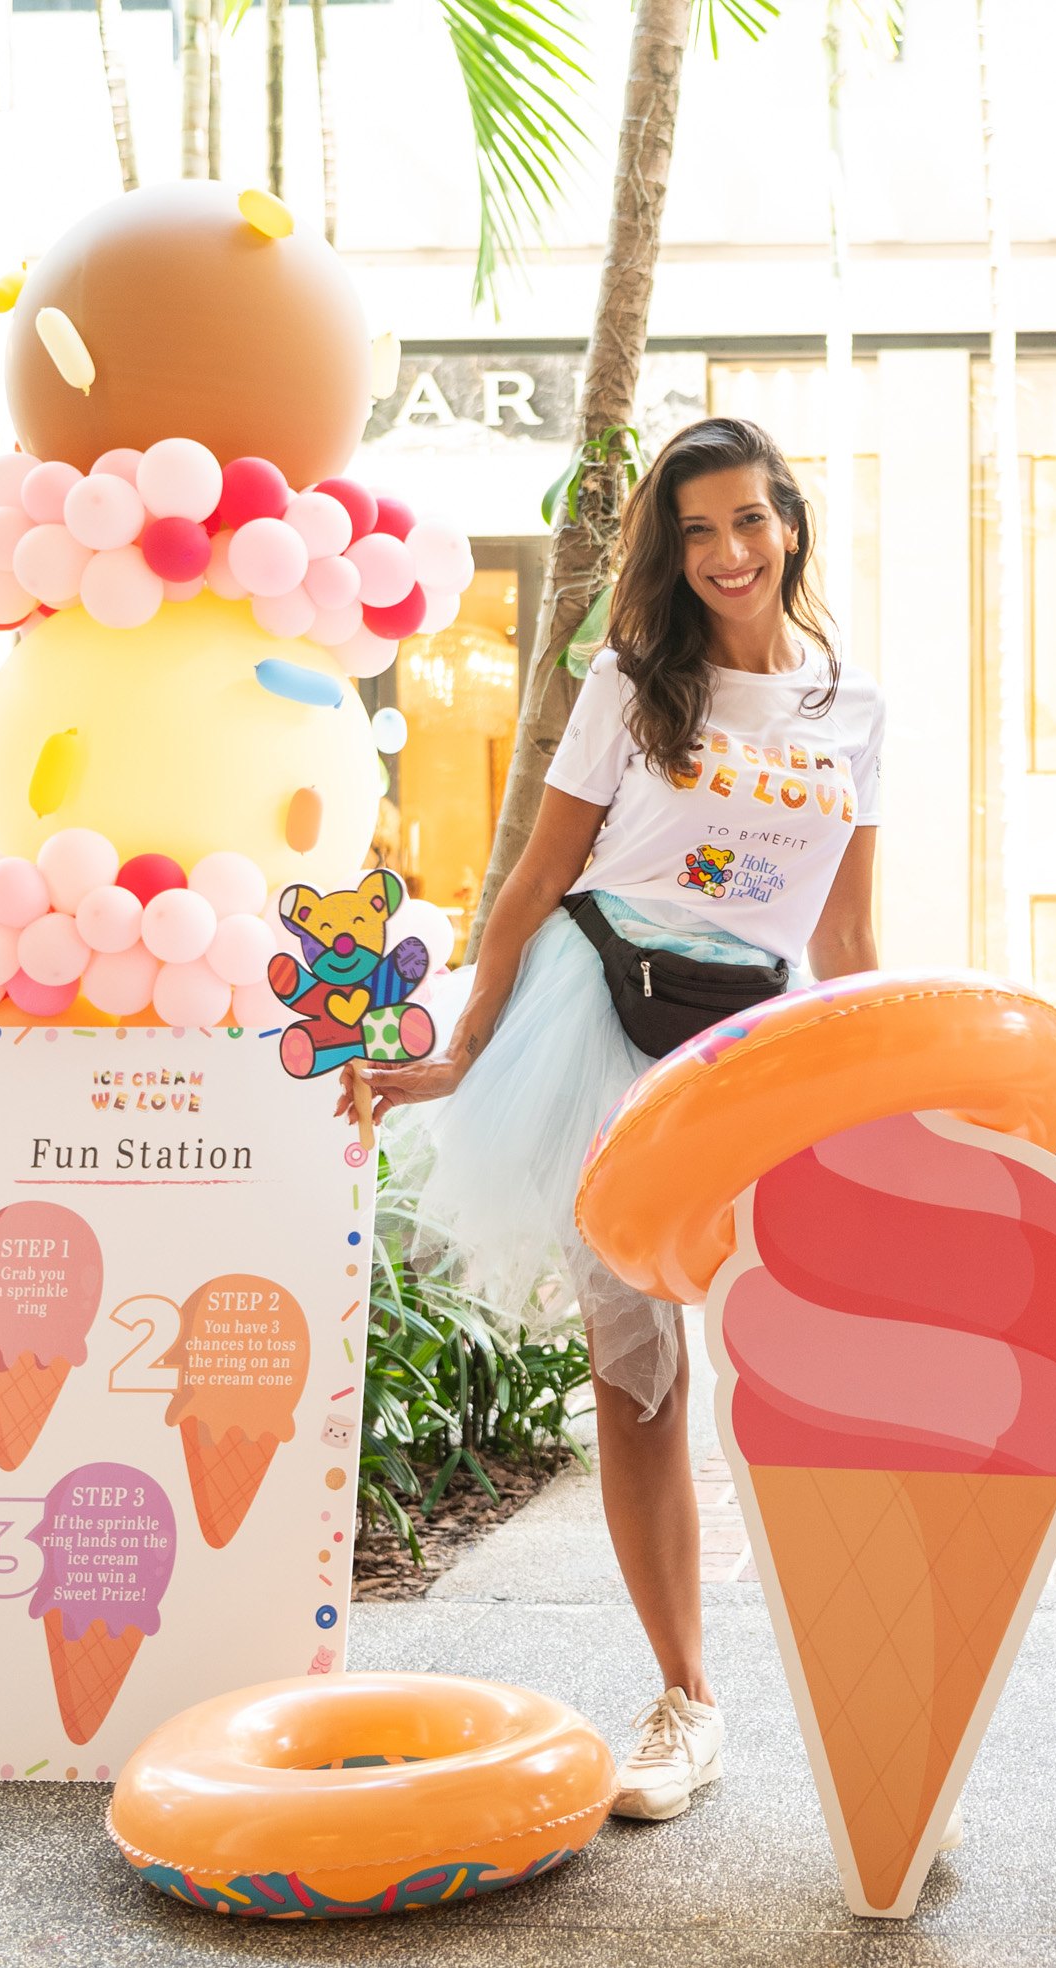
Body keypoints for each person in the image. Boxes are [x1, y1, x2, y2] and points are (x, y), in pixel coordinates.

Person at [367, 416, 883, 1823]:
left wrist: (888, 1097)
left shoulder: (853, 706)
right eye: (698, 531)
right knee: (640, 1375)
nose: (727, 554)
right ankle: (685, 1699)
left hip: (755, 1045)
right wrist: (469, 1050)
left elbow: (845, 934)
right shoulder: (629, 682)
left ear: (791, 522)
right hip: (595, 1020)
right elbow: (531, 880)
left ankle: (874, 1694)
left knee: (801, 1364)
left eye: (749, 523)